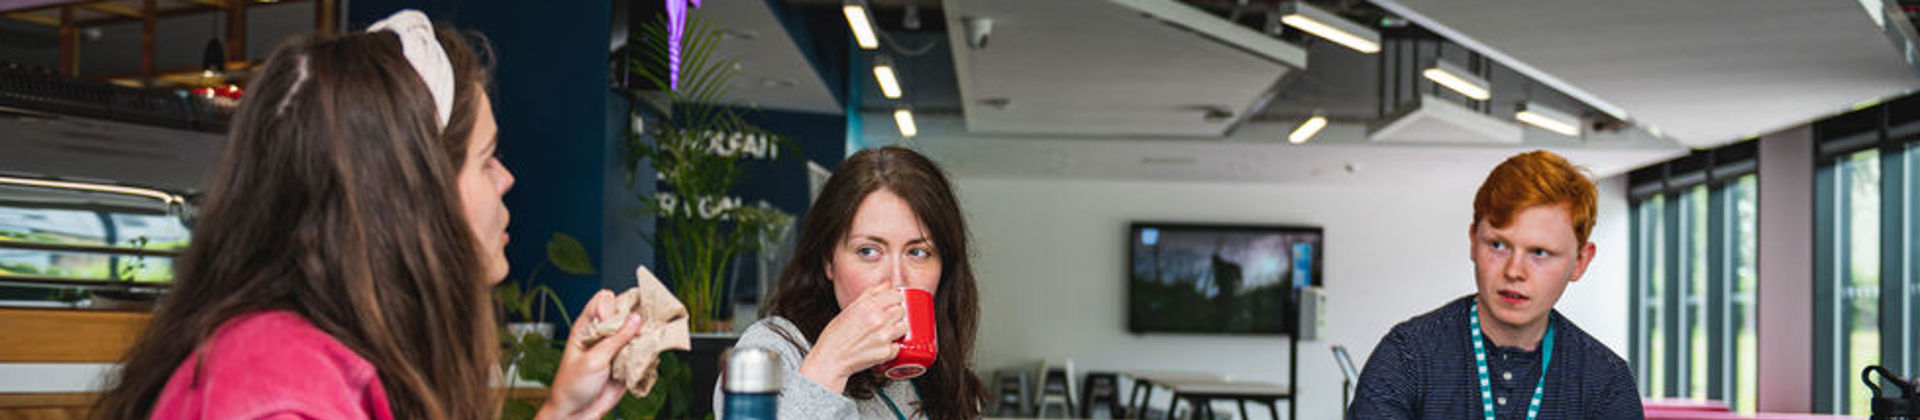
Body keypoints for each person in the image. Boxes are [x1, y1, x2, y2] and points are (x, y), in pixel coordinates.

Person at [91, 11, 645, 420]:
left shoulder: (339, 350)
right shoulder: (279, 393)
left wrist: (565, 410)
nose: (507, 179)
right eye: (485, 160)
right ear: (411, 194)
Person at [1346, 150, 1642, 419]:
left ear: (1580, 261)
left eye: (1539, 253)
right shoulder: (1407, 357)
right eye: (1498, 245)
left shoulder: (1605, 382)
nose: (1514, 271)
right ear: (1473, 241)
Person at [715, 146, 986, 420]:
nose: (896, 279)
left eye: (918, 252)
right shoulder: (771, 350)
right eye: (868, 251)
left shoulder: (944, 378)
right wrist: (831, 362)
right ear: (829, 261)